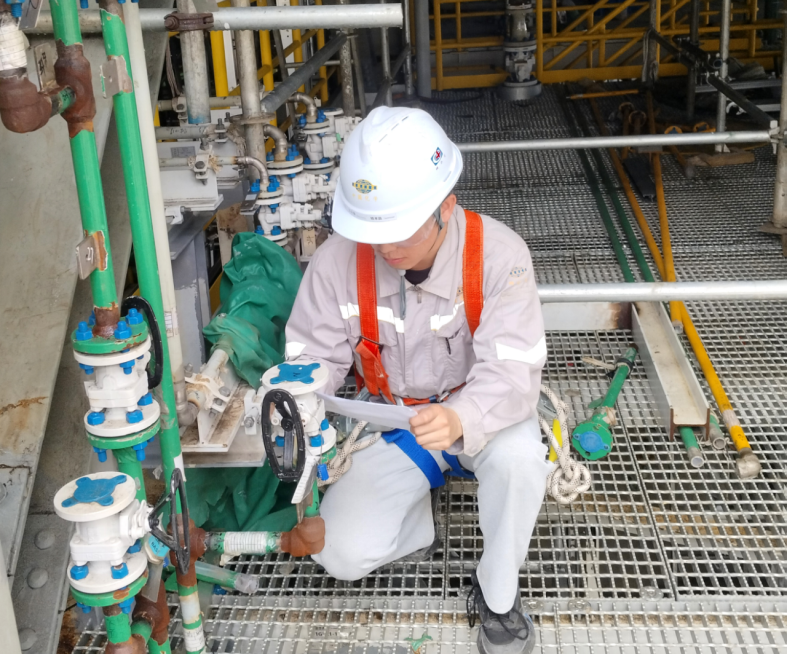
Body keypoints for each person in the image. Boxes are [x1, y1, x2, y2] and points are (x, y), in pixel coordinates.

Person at [284, 106, 551, 654]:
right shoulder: (336, 263)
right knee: (340, 553)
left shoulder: (500, 256)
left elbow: (513, 372)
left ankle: (498, 593)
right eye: (371, 231)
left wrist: (461, 417)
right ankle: (415, 520)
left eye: (399, 230)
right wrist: (293, 404)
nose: (386, 248)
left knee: (522, 460)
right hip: (397, 421)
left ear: (445, 207)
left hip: (483, 414)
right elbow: (311, 358)